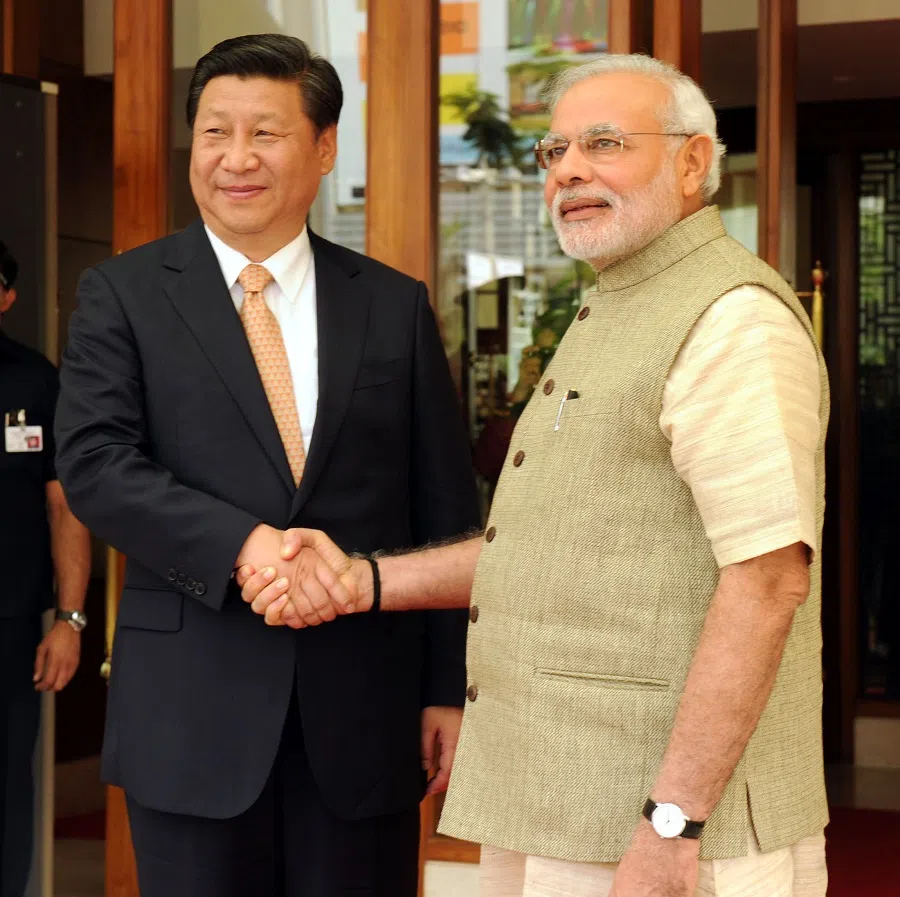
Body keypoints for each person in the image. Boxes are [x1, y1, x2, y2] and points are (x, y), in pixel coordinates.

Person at [240, 54, 831, 897]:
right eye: (554, 152)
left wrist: (672, 824)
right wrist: (359, 580)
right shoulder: (617, 300)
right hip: (561, 805)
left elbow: (768, 579)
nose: (570, 170)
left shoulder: (730, 318)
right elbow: (545, 547)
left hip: (667, 831)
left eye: (604, 143)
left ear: (694, 162)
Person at [54, 34, 478, 897]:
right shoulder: (123, 294)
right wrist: (245, 544)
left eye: (266, 134)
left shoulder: (392, 305)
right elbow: (97, 464)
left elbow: (441, 501)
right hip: (190, 711)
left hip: (365, 707)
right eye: (215, 133)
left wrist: (448, 689)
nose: (235, 159)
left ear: (324, 148)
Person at [0, 240, 91, 897]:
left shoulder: (37, 383)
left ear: (6, 295)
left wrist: (71, 617)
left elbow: (67, 509)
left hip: (9, 628)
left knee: (6, 785)